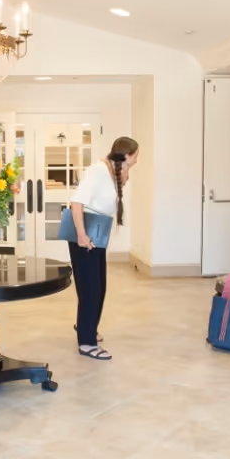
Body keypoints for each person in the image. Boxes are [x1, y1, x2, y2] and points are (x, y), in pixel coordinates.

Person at [67, 136, 139, 360]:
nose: (137, 159)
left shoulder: (112, 171)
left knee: (98, 286)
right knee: (91, 289)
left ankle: (86, 327)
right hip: (85, 234)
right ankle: (86, 343)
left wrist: (124, 173)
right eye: (136, 155)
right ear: (127, 155)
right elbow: (76, 203)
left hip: (97, 234)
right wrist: (81, 235)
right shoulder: (98, 171)